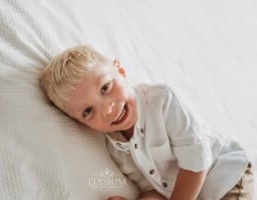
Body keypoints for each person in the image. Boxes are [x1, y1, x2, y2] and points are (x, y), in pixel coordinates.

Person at [38, 45, 254, 200]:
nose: (107, 109)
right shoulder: (116, 150)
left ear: (120, 71)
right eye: (88, 111)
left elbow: (197, 160)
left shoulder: (161, 101)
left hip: (225, 177)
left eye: (105, 88)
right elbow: (156, 190)